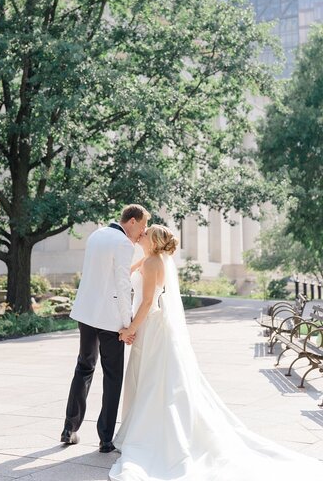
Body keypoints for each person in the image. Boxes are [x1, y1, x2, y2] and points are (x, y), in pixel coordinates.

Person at [109, 224, 323, 481]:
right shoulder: (151, 260)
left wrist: (130, 327)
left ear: (153, 241)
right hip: (156, 326)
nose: (141, 233)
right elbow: (131, 277)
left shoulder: (153, 262)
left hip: (152, 326)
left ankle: (153, 433)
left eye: (146, 233)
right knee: (156, 378)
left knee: (155, 380)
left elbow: (147, 302)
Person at [60, 204, 150, 453]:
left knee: (83, 367)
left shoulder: (96, 234)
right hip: (110, 320)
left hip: (87, 313)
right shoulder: (123, 244)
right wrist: (128, 324)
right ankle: (106, 438)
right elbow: (122, 285)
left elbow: (96, 275)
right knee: (112, 376)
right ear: (131, 221)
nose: (142, 231)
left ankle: (69, 429)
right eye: (142, 225)